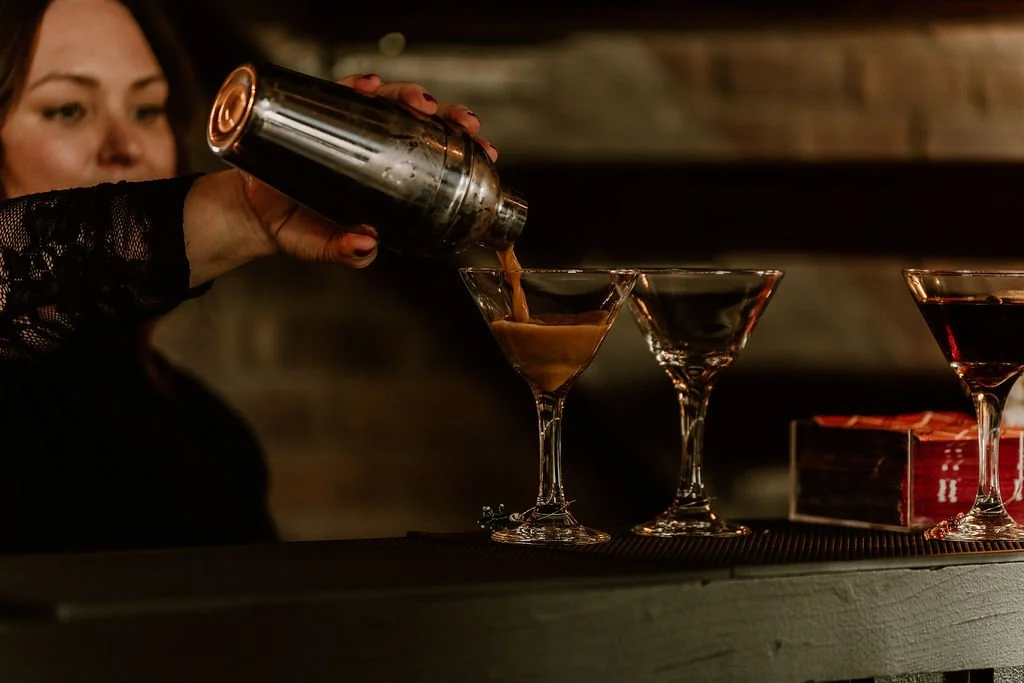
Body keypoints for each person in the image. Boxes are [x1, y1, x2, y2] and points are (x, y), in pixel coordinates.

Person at [0, 0, 498, 554]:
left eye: (147, 110)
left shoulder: (207, 430)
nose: (127, 147)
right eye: (68, 109)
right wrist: (237, 211)